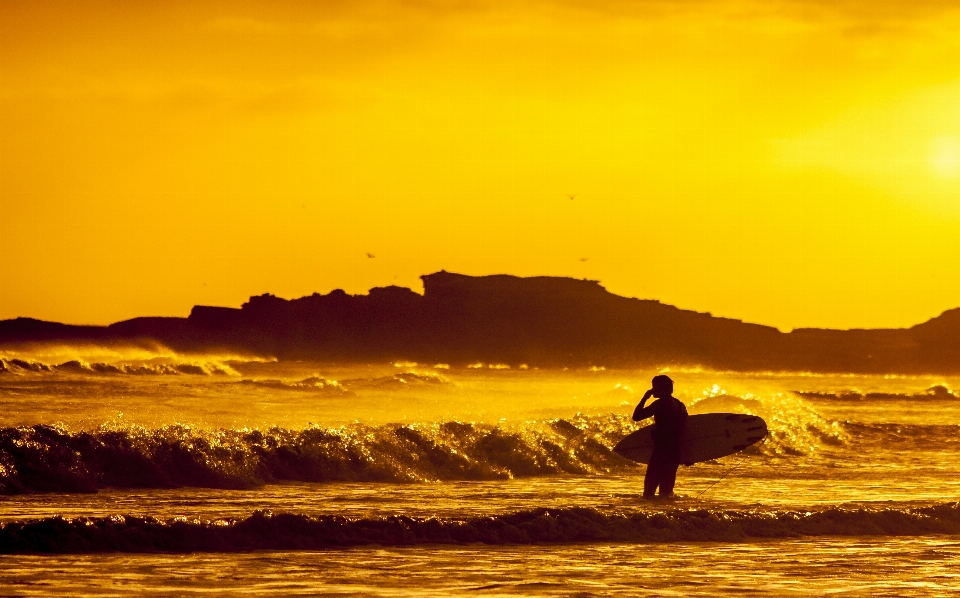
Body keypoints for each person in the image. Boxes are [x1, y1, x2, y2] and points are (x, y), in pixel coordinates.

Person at [632, 375, 688, 498]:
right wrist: (687, 455)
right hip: (675, 453)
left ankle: (651, 516)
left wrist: (644, 398)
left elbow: (636, 416)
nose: (652, 390)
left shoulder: (660, 404)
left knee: (648, 493)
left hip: (660, 452)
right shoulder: (680, 405)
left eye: (654, 387)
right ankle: (665, 515)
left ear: (661, 388)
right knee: (666, 493)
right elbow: (685, 432)